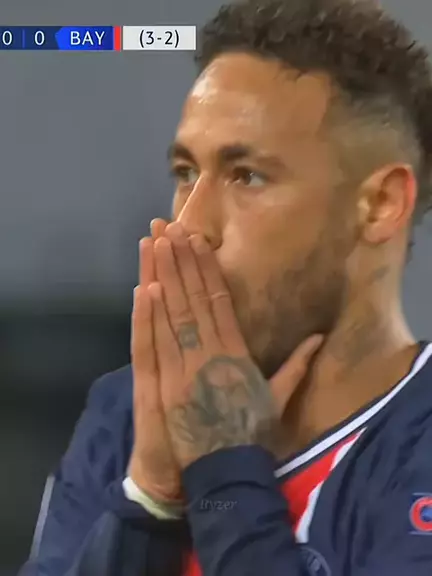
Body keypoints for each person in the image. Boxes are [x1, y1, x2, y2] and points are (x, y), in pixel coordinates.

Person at [20, 0, 432, 574]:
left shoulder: (417, 446)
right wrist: (151, 496)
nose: (189, 225)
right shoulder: (128, 415)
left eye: (247, 176)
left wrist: (223, 471)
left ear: (380, 205)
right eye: (186, 173)